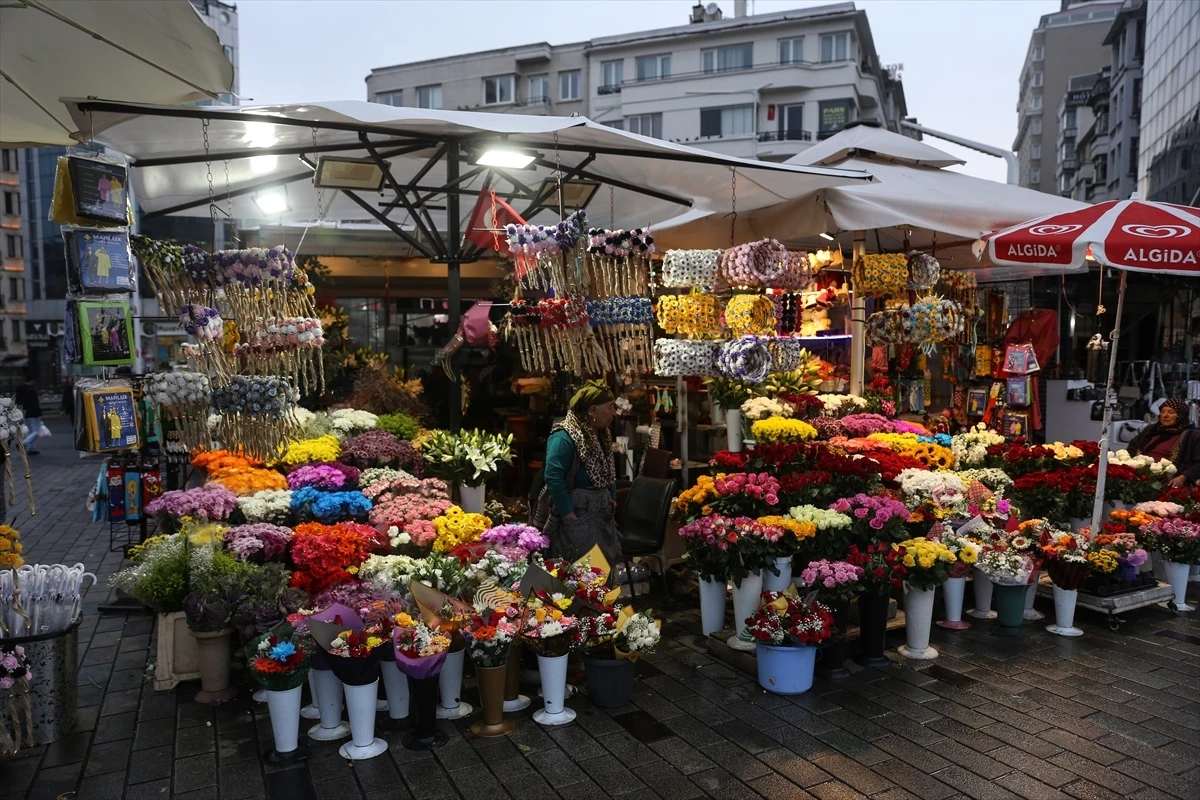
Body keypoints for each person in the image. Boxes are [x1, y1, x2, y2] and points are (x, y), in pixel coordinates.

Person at [534, 381, 621, 568]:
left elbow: (607, 469)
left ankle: (603, 598)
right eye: (610, 407)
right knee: (579, 568)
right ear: (592, 411)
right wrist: (568, 514)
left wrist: (612, 497)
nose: (614, 413)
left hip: (601, 511)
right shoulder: (564, 436)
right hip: (579, 511)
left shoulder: (601, 434)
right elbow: (554, 477)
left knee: (604, 566)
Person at [1127, 398, 1200, 487]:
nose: (1165, 415)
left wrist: (1182, 478)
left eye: (1171, 412)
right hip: (1140, 477)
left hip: (1168, 482)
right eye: (1162, 411)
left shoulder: (1192, 436)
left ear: (1181, 415)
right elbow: (1132, 447)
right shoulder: (1151, 430)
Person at [15, 374, 42, 455]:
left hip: (23, 413)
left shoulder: (19, 389)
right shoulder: (31, 390)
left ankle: (31, 448)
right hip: (32, 413)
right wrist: (39, 413)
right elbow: (35, 403)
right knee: (37, 431)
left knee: (29, 431)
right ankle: (24, 443)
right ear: (32, 380)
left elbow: (16, 401)